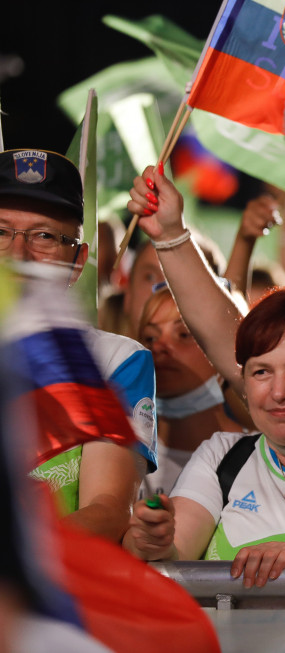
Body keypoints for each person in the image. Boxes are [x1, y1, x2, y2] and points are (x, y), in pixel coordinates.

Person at [123, 282, 285, 586]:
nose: (278, 392)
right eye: (261, 372)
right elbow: (175, 553)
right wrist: (151, 539)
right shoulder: (222, 456)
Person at [0, 149, 157, 542]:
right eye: (0, 232)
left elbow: (107, 512)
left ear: (76, 262)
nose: (18, 255)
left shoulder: (116, 361)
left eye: (44, 237)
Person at [137, 285, 250, 497]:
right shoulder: (126, 455)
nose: (160, 346)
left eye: (183, 334)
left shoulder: (256, 455)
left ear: (229, 352)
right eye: (150, 337)